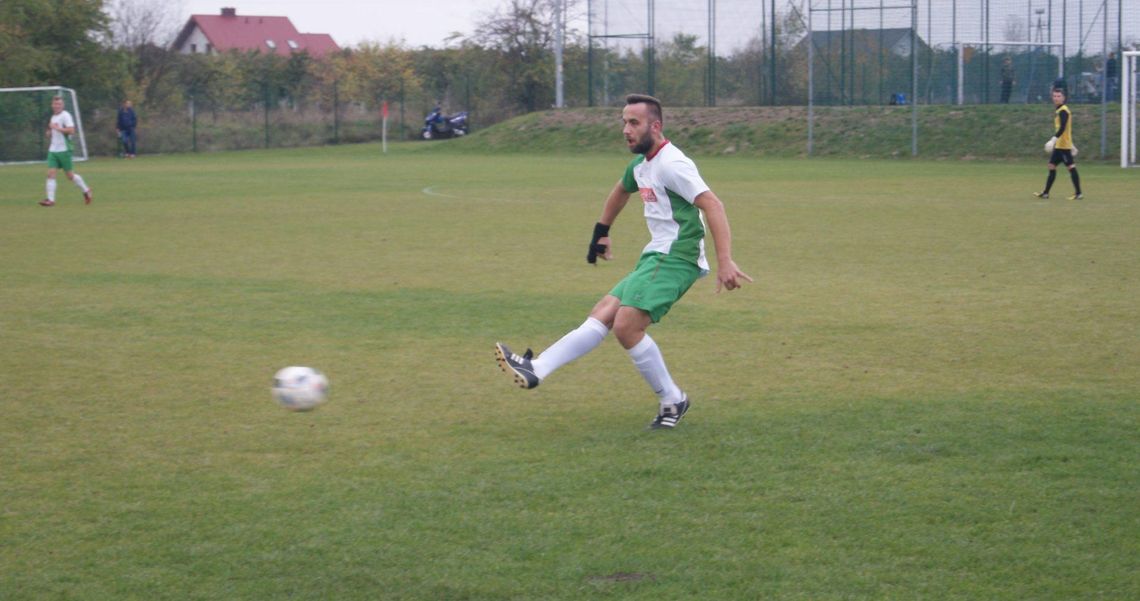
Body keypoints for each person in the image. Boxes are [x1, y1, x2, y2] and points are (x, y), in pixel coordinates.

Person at [494, 94, 753, 429]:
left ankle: (672, 400)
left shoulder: (672, 164)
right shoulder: (642, 165)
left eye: (634, 123)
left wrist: (726, 261)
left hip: (678, 255)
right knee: (604, 311)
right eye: (624, 122)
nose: (625, 129)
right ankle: (538, 368)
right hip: (656, 254)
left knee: (626, 325)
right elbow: (620, 191)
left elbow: (713, 205)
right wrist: (600, 232)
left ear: (655, 126)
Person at [40, 95, 92, 207]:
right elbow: (51, 131)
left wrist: (58, 128)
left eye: (59, 104)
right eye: (55, 104)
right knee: (50, 174)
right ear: (52, 105)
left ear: (62, 105)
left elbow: (71, 130)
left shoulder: (66, 116)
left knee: (70, 176)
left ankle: (86, 190)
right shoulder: (53, 117)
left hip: (64, 150)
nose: (57, 106)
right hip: (53, 150)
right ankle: (50, 200)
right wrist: (49, 133)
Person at [1034, 87, 1082, 201]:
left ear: (1063, 98)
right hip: (1060, 145)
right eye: (1054, 96)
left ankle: (1079, 193)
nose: (1056, 98)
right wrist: (1072, 144)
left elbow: (1063, 127)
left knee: (1071, 167)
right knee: (1051, 166)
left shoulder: (1063, 110)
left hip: (1063, 146)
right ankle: (1045, 193)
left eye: (1059, 96)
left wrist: (1053, 139)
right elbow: (1066, 130)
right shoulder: (1059, 110)